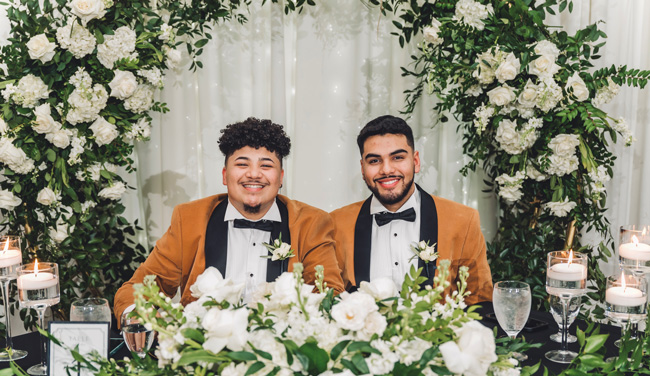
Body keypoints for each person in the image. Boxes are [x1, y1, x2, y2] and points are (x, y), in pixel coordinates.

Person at [114, 117, 344, 320]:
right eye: (242, 164)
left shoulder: (311, 223)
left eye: (266, 165)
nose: (254, 174)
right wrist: (136, 315)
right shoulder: (189, 219)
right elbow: (139, 287)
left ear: (280, 177)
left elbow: (328, 295)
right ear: (225, 175)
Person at [330, 115, 492, 304]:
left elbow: (480, 301)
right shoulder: (335, 224)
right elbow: (327, 299)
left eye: (397, 157)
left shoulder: (463, 220)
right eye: (374, 161)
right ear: (362, 168)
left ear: (415, 161)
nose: (386, 170)